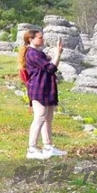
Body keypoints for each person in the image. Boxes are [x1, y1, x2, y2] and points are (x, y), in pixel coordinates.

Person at [18, 30, 67, 159]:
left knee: (48, 118)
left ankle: (48, 147)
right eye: (40, 38)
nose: (42, 39)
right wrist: (58, 54)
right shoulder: (32, 54)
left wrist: (54, 54)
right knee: (39, 117)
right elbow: (51, 68)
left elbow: (48, 64)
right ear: (31, 39)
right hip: (38, 88)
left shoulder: (39, 53)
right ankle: (32, 149)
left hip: (47, 87)